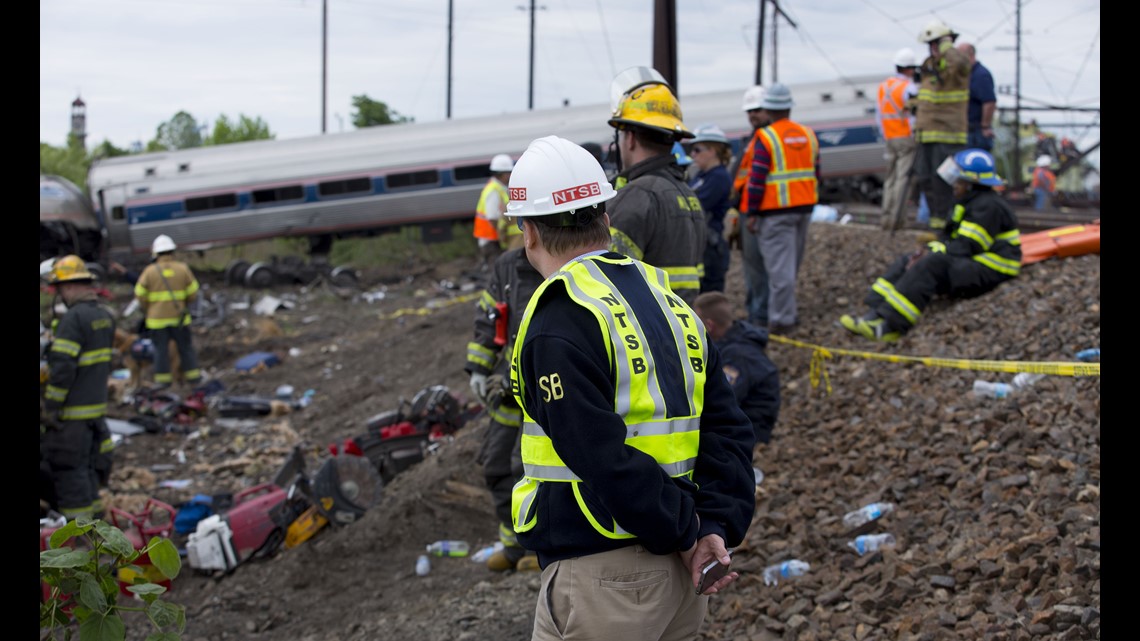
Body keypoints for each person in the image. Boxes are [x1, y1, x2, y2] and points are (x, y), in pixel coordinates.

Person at [505, 135, 756, 640]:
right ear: (606, 216)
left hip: (606, 579)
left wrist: (689, 532)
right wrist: (713, 527)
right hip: (682, 576)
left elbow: (601, 458)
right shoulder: (668, 299)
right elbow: (728, 430)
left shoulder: (560, 318)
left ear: (529, 231)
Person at [839, 148, 1021, 342]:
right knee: (909, 260)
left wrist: (932, 252)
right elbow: (951, 239)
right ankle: (874, 312)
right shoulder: (971, 201)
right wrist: (926, 250)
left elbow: (967, 246)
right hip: (976, 262)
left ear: (971, 183)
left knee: (931, 264)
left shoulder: (988, 206)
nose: (954, 185)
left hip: (994, 267)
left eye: (958, 180)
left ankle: (891, 327)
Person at [464, 246, 544, 572]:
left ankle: (539, 548)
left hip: (546, 396)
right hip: (511, 392)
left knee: (530, 471)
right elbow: (490, 316)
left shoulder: (567, 263)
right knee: (497, 465)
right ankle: (513, 547)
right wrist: (479, 368)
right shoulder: (508, 266)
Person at [606, 66, 707, 307]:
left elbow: (605, 281)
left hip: (641, 332)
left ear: (629, 138)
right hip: (681, 328)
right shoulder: (688, 195)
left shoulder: (636, 197)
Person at [41, 255, 116, 520]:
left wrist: (51, 407)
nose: (59, 294)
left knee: (69, 473)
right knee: (87, 473)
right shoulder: (104, 316)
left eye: (59, 288)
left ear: (70, 286)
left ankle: (79, 537)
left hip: (72, 416)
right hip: (95, 412)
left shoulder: (74, 319)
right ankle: (96, 530)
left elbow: (62, 369)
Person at [743, 82, 820, 336]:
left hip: (774, 212)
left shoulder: (766, 138)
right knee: (791, 266)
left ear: (769, 110)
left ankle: (781, 321)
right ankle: (787, 314)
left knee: (779, 271)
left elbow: (756, 179)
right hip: (804, 208)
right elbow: (817, 171)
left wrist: (751, 213)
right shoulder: (808, 134)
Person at [692, 291, 781, 446]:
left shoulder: (737, 356)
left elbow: (722, 398)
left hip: (749, 430)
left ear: (709, 326)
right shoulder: (733, 340)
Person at [913, 19, 971, 231]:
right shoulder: (930, 69)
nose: (933, 49)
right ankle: (937, 224)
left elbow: (962, 64)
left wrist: (948, 46)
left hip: (948, 135)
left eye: (936, 44)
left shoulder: (956, 68)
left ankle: (949, 225)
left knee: (945, 182)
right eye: (931, 45)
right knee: (927, 180)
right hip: (926, 135)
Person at [134, 234, 204, 389]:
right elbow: (193, 292)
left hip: (156, 320)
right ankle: (193, 378)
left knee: (160, 351)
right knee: (185, 348)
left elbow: (139, 294)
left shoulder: (149, 271)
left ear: (155, 253)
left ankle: (163, 381)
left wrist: (149, 308)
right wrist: (183, 303)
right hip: (179, 319)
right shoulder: (182, 269)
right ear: (172, 251)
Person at [733, 85, 772, 327]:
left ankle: (760, 313)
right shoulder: (752, 140)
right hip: (748, 209)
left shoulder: (765, 140)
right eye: (750, 111)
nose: (753, 115)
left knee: (759, 266)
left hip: (760, 211)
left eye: (757, 110)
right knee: (752, 265)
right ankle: (756, 310)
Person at [684, 123, 733, 293]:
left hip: (711, 248)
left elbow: (695, 206)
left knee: (710, 294)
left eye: (697, 150)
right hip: (703, 246)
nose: (693, 154)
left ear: (712, 150)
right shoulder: (702, 176)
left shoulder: (719, 177)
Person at [876, 48, 920, 231]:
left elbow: (878, 116)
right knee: (903, 179)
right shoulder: (909, 88)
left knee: (890, 179)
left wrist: (885, 134)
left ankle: (886, 217)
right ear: (909, 69)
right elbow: (914, 116)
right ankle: (897, 220)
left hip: (889, 137)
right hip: (905, 138)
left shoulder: (883, 87)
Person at [474, 154, 515, 268]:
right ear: (502, 174)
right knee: (498, 274)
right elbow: (492, 218)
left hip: (493, 240)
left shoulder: (499, 188)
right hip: (492, 241)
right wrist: (503, 238)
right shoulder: (493, 190)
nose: (511, 175)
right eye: (509, 173)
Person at [957, 42, 997, 152]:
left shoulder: (980, 75)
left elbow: (989, 102)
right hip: (966, 131)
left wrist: (985, 126)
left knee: (973, 163)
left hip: (976, 133)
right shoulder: (967, 75)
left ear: (969, 54)